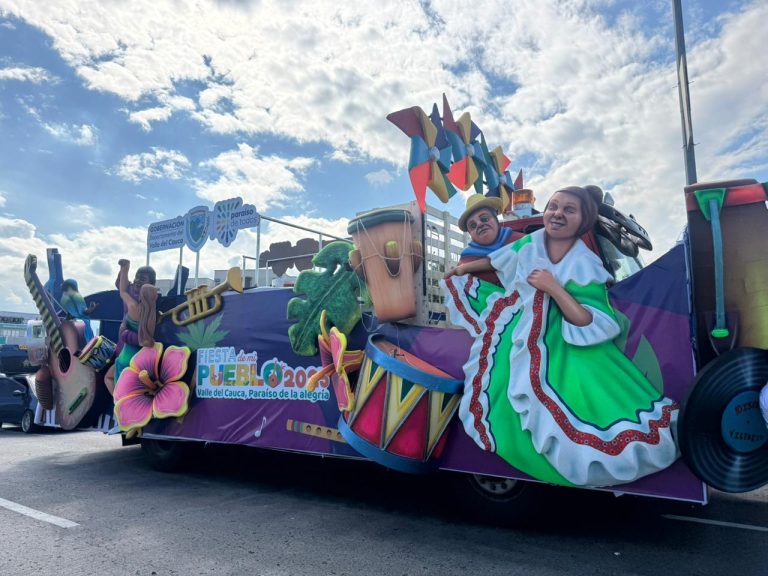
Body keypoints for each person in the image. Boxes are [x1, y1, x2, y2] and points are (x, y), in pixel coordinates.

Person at [442, 185, 679, 487]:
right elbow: (497, 261)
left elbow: (589, 319)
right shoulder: (531, 241)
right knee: (504, 391)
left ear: (583, 219)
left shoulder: (586, 263)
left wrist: (553, 288)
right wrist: (461, 270)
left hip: (562, 339)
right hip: (519, 326)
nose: (557, 213)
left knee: (571, 402)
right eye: (553, 206)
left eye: (569, 209)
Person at [104, 260, 158, 394]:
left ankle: (119, 404)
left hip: (127, 357)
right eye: (137, 277)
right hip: (136, 357)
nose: (138, 281)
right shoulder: (150, 311)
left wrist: (125, 333)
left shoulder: (133, 306)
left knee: (114, 383)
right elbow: (148, 341)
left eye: (142, 279)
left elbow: (122, 291)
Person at [60, 278, 98, 343]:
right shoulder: (75, 296)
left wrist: (91, 308)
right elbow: (84, 312)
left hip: (80, 324)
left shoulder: (69, 297)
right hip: (80, 323)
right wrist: (92, 308)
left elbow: (82, 312)